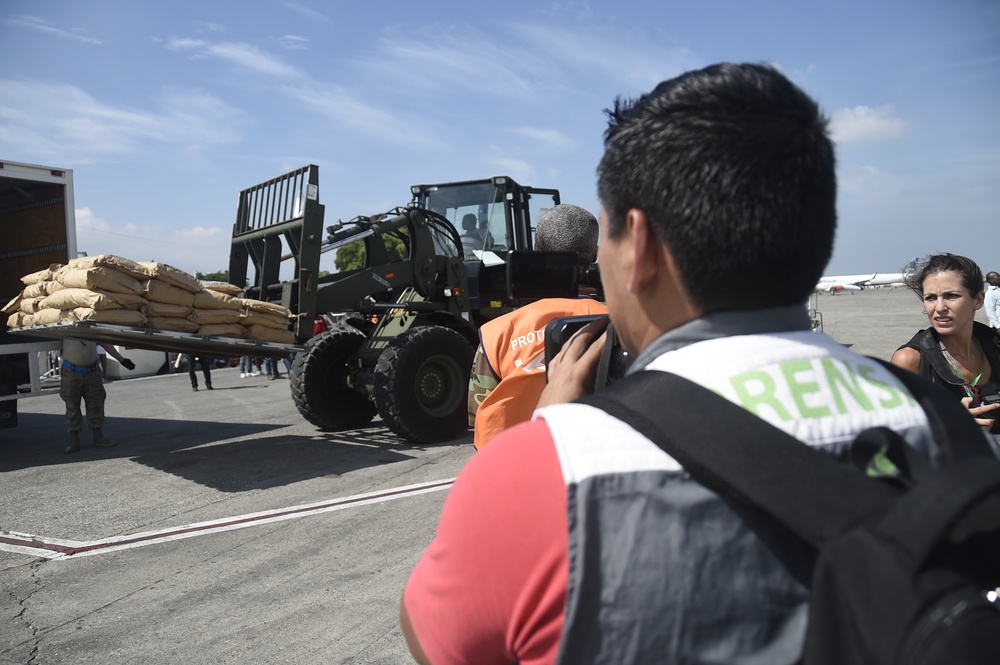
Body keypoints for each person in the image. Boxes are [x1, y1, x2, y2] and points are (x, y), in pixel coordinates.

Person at [401, 63, 956, 664]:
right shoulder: (942, 426)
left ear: (636, 247)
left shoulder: (544, 472)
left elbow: (436, 640)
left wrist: (544, 443)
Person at [468, 203, 606, 449]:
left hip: (514, 469)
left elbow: (479, 415)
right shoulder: (618, 325)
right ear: (594, 255)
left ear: (536, 249)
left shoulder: (495, 334)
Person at [890, 254, 1000, 434]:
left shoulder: (994, 346)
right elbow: (897, 439)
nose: (939, 307)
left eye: (951, 296)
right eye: (931, 298)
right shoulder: (911, 360)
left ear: (978, 300)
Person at [61, 339, 135, 453]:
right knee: (72, 405)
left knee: (96, 403)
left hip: (92, 371)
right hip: (71, 372)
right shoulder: (68, 327)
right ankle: (74, 440)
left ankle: (98, 437)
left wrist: (122, 360)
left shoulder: (91, 328)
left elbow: (105, 343)